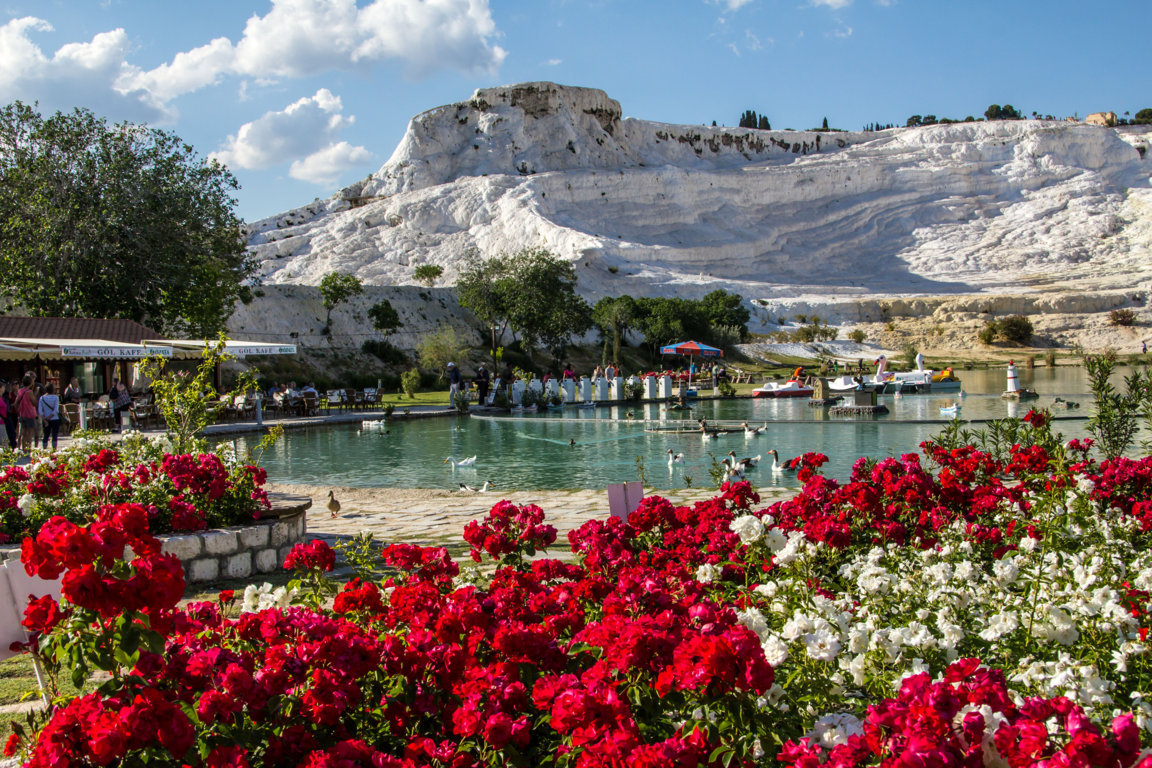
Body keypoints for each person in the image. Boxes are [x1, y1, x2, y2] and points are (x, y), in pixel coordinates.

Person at [15, 374, 37, 451]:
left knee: (23, 433)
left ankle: (23, 448)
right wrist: (36, 394)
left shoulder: (20, 391)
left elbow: (16, 402)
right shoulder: (29, 392)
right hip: (30, 414)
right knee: (30, 433)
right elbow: (34, 403)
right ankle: (28, 448)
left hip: (22, 414)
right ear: (30, 383)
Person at [38, 382, 61, 449]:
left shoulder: (42, 398)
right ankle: (54, 449)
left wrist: (44, 418)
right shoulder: (56, 397)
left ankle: (44, 448)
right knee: (54, 435)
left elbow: (40, 410)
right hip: (54, 418)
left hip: (45, 419)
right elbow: (56, 410)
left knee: (46, 434)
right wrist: (49, 417)